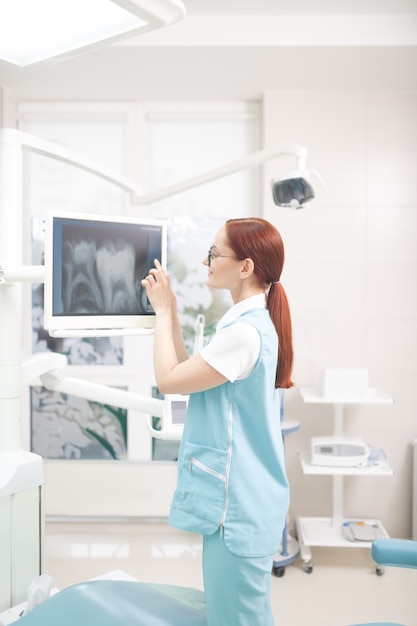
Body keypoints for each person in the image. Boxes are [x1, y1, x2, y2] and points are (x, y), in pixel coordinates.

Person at [141, 217, 293, 626]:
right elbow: (188, 370)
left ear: (245, 267)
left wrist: (159, 315)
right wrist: (169, 309)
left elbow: (168, 379)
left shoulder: (244, 334)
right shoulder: (243, 324)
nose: (207, 260)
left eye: (215, 253)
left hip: (239, 507)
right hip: (245, 502)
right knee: (248, 616)